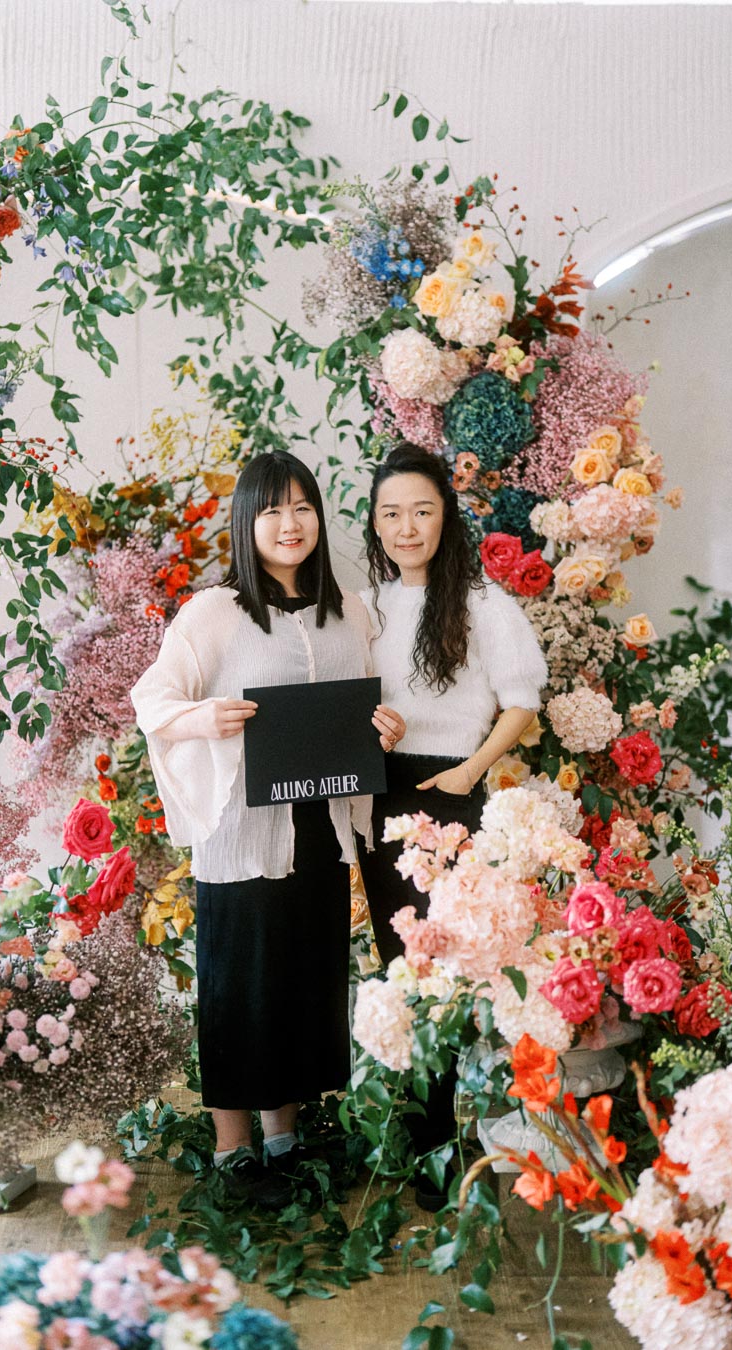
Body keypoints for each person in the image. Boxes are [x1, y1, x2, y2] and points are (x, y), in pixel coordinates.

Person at [131, 450, 405, 1209]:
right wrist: (202, 717)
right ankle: (232, 1143)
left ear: (319, 516)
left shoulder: (348, 609)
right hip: (242, 833)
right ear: (246, 523)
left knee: (302, 975)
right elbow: (152, 699)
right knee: (238, 981)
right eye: (272, 510)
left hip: (321, 827)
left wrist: (382, 729)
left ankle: (284, 1129)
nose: (290, 524)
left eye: (302, 507)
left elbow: (369, 706)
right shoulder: (214, 613)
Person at [357, 443, 548, 1206]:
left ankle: (446, 1138)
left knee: (445, 968)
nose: (407, 527)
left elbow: (523, 700)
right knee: (396, 962)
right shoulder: (367, 604)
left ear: (446, 518)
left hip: (449, 791)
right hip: (380, 789)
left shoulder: (482, 603)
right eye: (391, 513)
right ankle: (417, 1124)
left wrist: (471, 771)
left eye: (422, 511)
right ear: (375, 523)